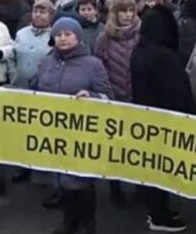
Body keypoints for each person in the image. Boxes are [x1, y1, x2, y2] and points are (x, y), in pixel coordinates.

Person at [30, 17, 112, 234]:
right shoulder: (48, 61)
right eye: (58, 35)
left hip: (82, 134)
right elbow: (36, 88)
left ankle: (87, 224)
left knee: (81, 181)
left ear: (78, 36)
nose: (63, 39)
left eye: (68, 34)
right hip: (55, 132)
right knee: (61, 179)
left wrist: (92, 96)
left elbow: (108, 97)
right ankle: (69, 223)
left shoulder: (93, 64)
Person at [130, 4, 196, 232]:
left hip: (147, 120)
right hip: (168, 122)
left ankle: (156, 211)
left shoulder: (139, 52)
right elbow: (178, 93)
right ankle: (159, 216)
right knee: (163, 170)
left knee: (152, 168)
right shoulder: (165, 57)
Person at [93, 0, 140, 205]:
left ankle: (140, 187)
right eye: (123, 11)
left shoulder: (141, 35)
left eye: (131, 11)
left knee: (138, 147)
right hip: (113, 99)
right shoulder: (104, 38)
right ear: (115, 13)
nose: (128, 15)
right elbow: (98, 69)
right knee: (114, 147)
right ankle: (115, 187)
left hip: (138, 99)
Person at [5, 0, 55, 88]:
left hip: (43, 87)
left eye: (42, 12)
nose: (38, 15)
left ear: (51, 16)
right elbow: (12, 56)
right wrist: (14, 76)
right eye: (35, 11)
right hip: (19, 85)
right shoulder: (21, 34)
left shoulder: (54, 36)